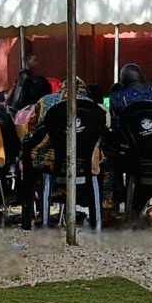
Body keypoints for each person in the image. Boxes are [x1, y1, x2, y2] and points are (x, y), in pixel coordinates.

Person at [17, 78, 107, 227]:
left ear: (61, 88)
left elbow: (33, 131)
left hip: (53, 162)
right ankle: (99, 216)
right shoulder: (93, 106)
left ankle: (28, 217)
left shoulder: (45, 102)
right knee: (105, 161)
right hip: (88, 162)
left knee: (28, 155)